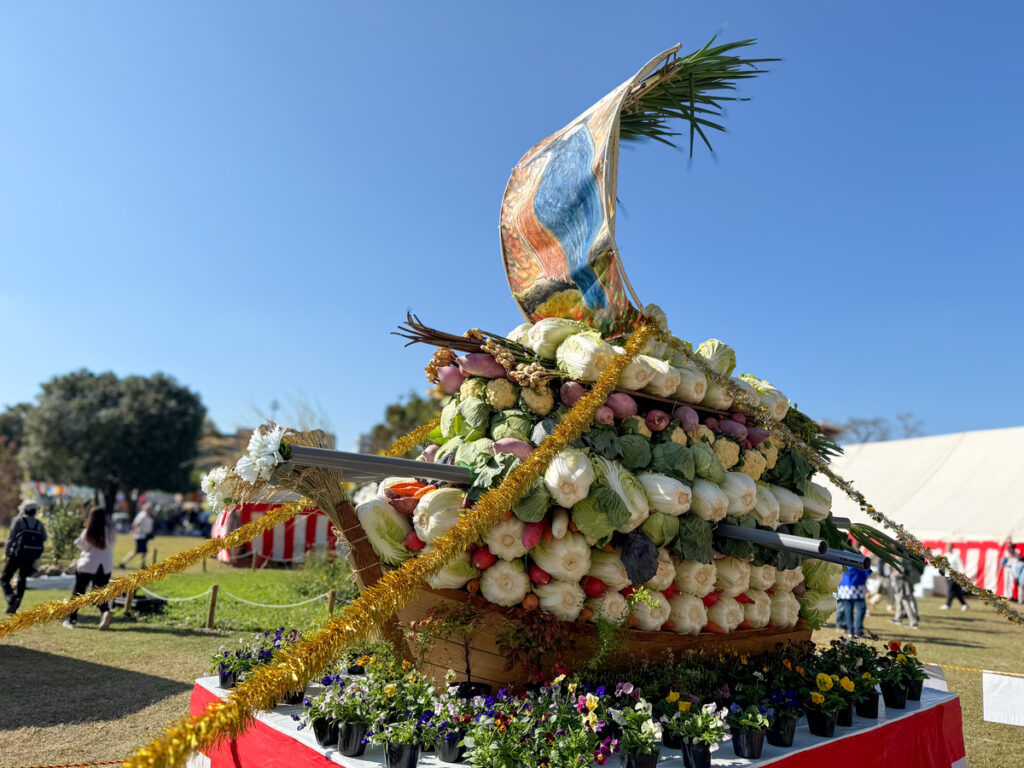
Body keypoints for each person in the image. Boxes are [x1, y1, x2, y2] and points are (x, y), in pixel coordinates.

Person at [63, 506, 116, 630]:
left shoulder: (89, 531)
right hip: (105, 566)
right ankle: (105, 612)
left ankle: (72, 619)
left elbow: (81, 544)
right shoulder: (110, 532)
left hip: (88, 564)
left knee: (78, 593)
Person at [2, 501, 47, 614]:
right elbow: (44, 538)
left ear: (24, 510)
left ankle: (11, 599)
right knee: (22, 580)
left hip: (17, 554)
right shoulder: (39, 524)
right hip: (31, 556)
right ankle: (13, 606)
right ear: (35, 511)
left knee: (4, 578)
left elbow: (11, 538)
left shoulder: (19, 521)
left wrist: (7, 553)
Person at [891, 548, 924, 630]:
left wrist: (894, 573)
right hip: (906, 582)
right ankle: (904, 619)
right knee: (904, 600)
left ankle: (913, 622)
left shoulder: (901, 558)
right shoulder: (907, 557)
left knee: (905, 601)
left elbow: (901, 571)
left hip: (903, 583)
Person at [836, 564, 871, 637]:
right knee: (861, 608)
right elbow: (867, 571)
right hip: (857, 584)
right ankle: (858, 631)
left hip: (844, 585)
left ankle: (850, 631)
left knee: (848, 609)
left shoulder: (842, 553)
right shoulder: (857, 555)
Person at [119, 503, 154, 569]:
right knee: (138, 551)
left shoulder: (147, 516)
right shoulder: (142, 516)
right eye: (148, 509)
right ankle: (123, 563)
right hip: (140, 536)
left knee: (143, 551)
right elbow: (136, 524)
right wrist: (134, 531)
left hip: (144, 536)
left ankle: (142, 565)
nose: (150, 510)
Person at [940, 543, 969, 611]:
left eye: (949, 547)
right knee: (956, 592)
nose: (948, 548)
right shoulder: (945, 555)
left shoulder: (955, 556)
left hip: (954, 576)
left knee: (951, 590)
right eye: (947, 547)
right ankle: (964, 604)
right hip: (947, 575)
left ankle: (948, 605)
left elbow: (960, 565)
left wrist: (963, 574)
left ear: (952, 548)